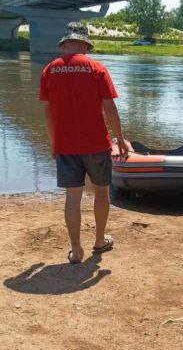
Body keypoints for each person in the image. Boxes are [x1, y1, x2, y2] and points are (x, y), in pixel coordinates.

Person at [39, 22, 131, 264]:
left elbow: (48, 113)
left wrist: (53, 143)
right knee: (101, 191)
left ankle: (76, 250)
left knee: (73, 197)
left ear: (64, 43)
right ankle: (99, 240)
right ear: (85, 44)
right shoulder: (96, 68)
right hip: (96, 144)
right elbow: (110, 109)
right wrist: (120, 140)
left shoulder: (49, 70)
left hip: (66, 146)